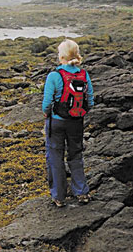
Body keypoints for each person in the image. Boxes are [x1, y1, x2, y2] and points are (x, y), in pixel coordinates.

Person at [42, 39, 94, 207]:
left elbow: (47, 103)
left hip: (56, 123)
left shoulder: (54, 75)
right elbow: (90, 101)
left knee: (55, 157)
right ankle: (82, 192)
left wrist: (46, 113)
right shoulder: (83, 74)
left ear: (62, 56)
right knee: (76, 155)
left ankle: (58, 196)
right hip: (76, 122)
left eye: (59, 53)